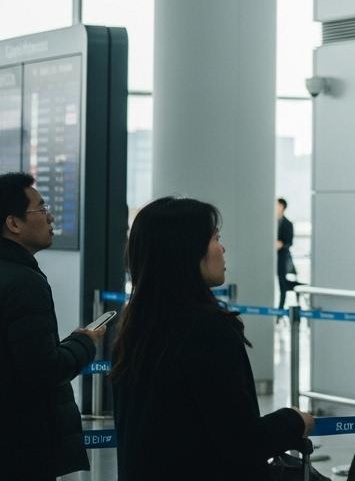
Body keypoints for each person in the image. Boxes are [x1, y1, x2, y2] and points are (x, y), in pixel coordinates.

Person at [111, 196, 314, 480]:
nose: (223, 248)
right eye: (215, 238)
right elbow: (240, 443)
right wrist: (293, 420)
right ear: (187, 251)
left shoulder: (136, 328)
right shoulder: (208, 331)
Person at [0, 172, 102, 481]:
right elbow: (42, 369)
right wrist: (85, 342)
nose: (50, 216)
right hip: (21, 444)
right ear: (13, 223)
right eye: (42, 209)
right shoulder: (24, 283)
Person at [275, 197, 298, 310]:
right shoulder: (270, 223)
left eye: (277, 205)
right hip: (271, 258)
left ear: (282, 207)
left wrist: (281, 244)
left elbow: (289, 242)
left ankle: (280, 310)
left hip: (282, 258)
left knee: (282, 285)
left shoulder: (288, 224)